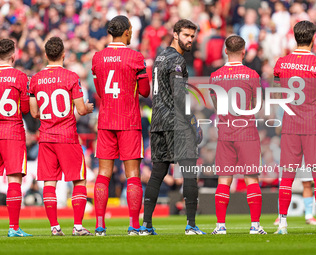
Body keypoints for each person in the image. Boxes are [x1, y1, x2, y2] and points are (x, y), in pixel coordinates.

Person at [141, 19, 205, 235]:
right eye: (186, 35)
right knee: (188, 172)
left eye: (192, 36)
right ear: (175, 34)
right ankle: (191, 225)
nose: (190, 40)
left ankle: (146, 225)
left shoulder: (160, 56)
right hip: (175, 123)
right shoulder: (177, 60)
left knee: (158, 173)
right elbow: (179, 96)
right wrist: (192, 122)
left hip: (157, 121)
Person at [29, 37, 94, 236]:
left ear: (46, 55)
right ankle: (77, 226)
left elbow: (33, 113)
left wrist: (47, 116)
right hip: (67, 136)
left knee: (49, 182)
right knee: (79, 180)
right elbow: (81, 109)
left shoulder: (36, 79)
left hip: (46, 137)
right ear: (64, 54)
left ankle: (55, 227)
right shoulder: (71, 77)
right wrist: (88, 108)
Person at [91, 15, 150, 236]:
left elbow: (99, 90)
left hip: (106, 120)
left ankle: (99, 225)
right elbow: (144, 91)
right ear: (126, 32)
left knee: (103, 174)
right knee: (133, 174)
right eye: (131, 30)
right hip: (129, 120)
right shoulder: (135, 57)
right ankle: (134, 225)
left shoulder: (98, 57)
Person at [209, 35, 267, 235]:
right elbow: (256, 104)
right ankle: (255, 226)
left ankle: (220, 226)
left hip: (225, 131)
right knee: (251, 178)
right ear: (244, 51)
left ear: (225, 51)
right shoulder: (252, 74)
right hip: (247, 132)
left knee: (224, 180)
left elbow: (216, 104)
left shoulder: (215, 76)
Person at [273, 20, 316, 235]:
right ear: (313, 38)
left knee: (287, 175)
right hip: (313, 124)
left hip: (291, 123)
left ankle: (283, 224)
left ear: (295, 37)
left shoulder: (282, 62)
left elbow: (278, 82)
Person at [0, 39, 32, 237]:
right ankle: (13, 228)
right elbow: (27, 108)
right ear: (14, 55)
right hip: (12, 132)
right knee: (14, 180)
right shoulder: (20, 76)